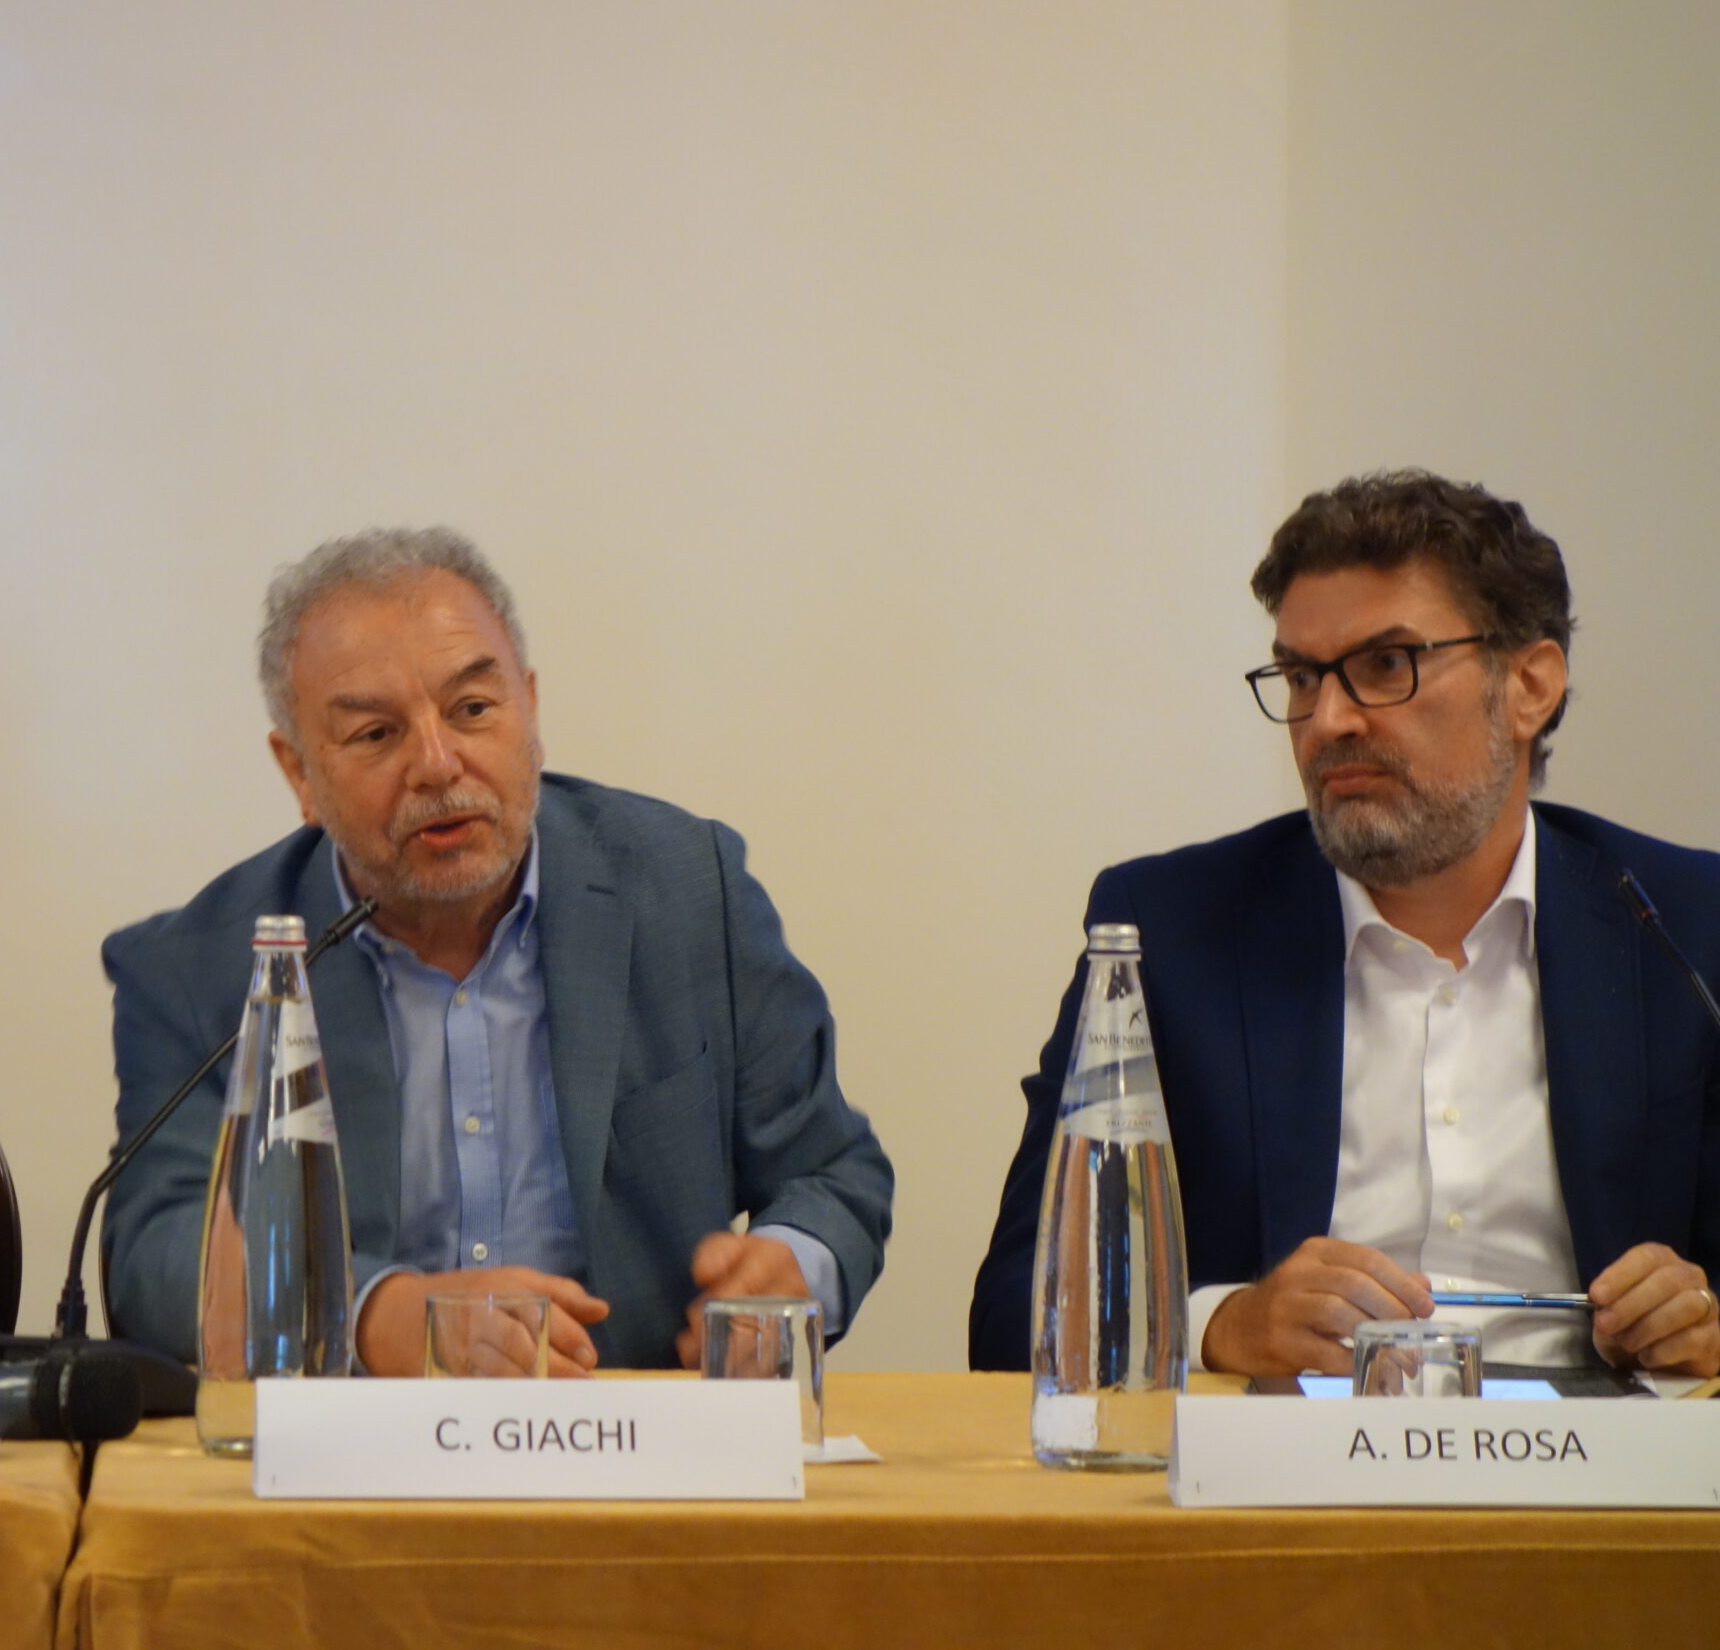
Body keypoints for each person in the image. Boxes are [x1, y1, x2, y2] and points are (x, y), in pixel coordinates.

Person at [969, 471, 1720, 1379]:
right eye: (1301, 676)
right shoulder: (1171, 932)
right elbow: (1013, 1306)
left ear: (1530, 686)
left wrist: (1702, 1326)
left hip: (1596, 1463)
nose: (1327, 720)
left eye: (1386, 665)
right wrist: (1221, 1325)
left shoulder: (1683, 927)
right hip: (1294, 1460)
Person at [103, 528, 893, 1375]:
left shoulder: (689, 892)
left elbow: (833, 1171)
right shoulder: (201, 967)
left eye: (473, 709)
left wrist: (791, 1262)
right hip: (361, 1444)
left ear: (531, 708)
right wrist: (379, 1317)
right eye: (376, 733)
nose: (438, 764)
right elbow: (157, 1250)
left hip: (638, 1430)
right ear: (299, 772)